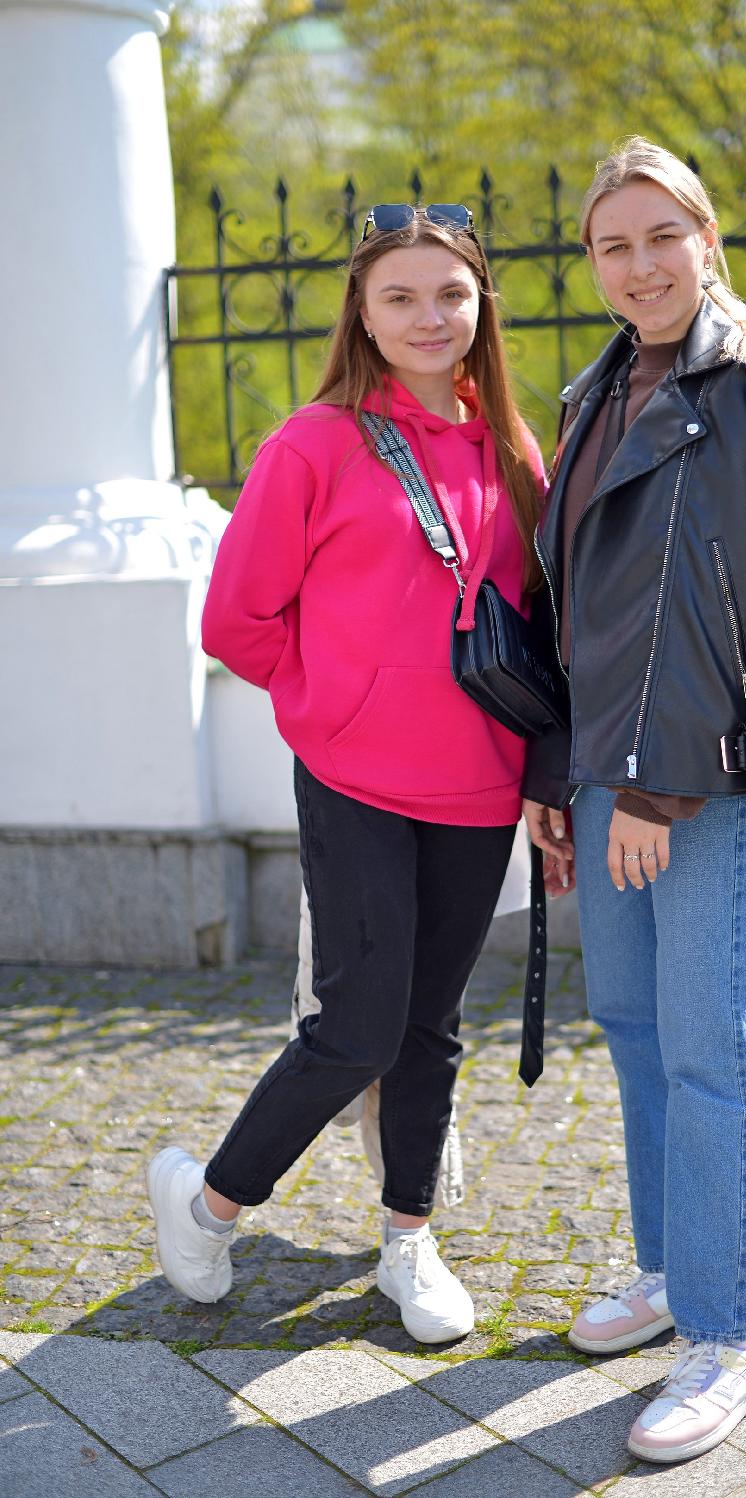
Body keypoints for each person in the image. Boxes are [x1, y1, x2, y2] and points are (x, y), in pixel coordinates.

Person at [147, 202, 545, 1345]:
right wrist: (338, 704)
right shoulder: (312, 442)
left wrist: (539, 774)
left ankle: (409, 1240)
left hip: (478, 785)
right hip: (357, 779)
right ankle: (210, 1200)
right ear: (363, 316)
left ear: (480, 308)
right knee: (357, 1026)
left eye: (451, 295)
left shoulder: (512, 445)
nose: (430, 317)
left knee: (431, 1025)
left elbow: (538, 619)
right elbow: (237, 620)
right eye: (401, 296)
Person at [523, 137, 746, 1463]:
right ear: (592, 261)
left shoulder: (744, 376)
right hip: (606, 768)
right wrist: (559, 776)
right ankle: (671, 1270)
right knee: (640, 1026)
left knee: (716, 1043)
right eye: (614, 243)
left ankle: (728, 1336)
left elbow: (733, 598)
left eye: (663, 235)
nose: (641, 264)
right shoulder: (603, 380)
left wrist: (657, 782)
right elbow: (582, 603)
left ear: (706, 236)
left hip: (691, 778)